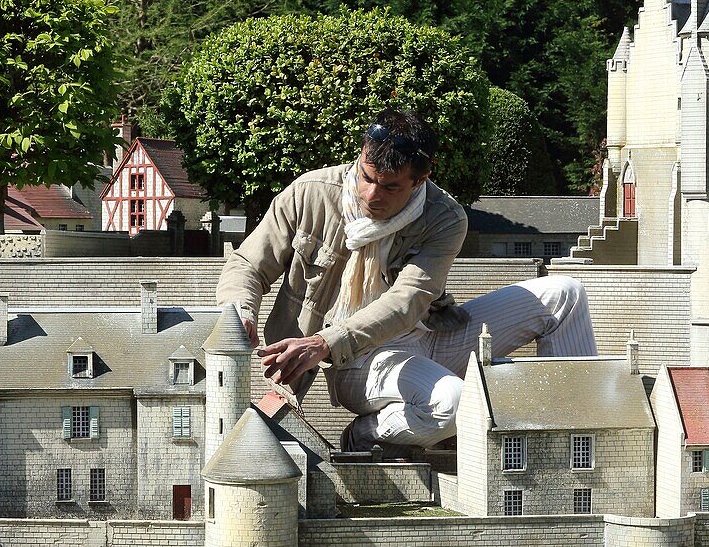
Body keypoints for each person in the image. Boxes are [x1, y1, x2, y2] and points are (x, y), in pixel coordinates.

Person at [216, 109, 596, 452]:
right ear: (361, 157)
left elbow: (408, 300)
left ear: (420, 179)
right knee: (454, 402)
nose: (371, 194)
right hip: (357, 359)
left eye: (390, 186)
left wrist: (321, 342)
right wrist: (239, 314)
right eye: (366, 177)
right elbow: (248, 263)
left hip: (429, 335)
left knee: (566, 293)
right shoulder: (310, 194)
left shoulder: (445, 217)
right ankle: (363, 437)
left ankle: (573, 439)